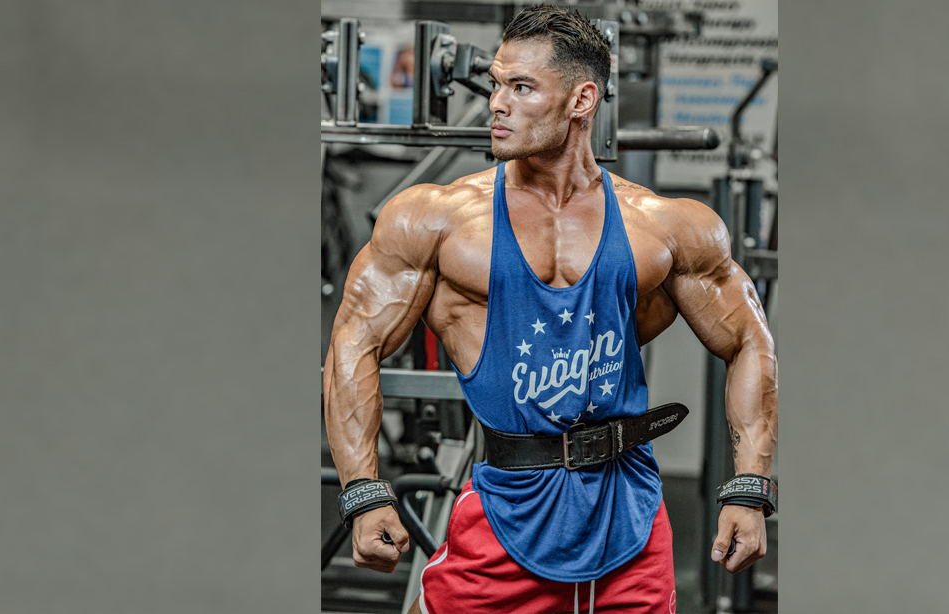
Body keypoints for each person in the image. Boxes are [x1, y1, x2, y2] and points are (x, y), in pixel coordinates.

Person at [323, 5, 778, 613]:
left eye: (521, 87)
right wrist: (363, 491)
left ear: (582, 99)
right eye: (496, 85)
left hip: (630, 518)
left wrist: (747, 487)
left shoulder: (664, 227)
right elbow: (354, 341)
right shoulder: (435, 220)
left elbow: (748, 339)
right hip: (503, 513)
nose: (497, 104)